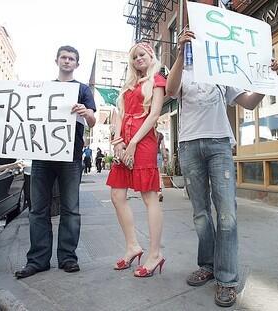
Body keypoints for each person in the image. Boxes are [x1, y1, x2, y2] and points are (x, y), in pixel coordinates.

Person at [166, 30, 278, 307]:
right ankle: (207, 265)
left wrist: (269, 79)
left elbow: (249, 102)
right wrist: (180, 54)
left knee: (227, 213)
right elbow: (170, 90)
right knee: (201, 213)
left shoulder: (221, 71)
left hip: (219, 144)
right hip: (190, 146)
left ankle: (227, 279)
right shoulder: (183, 69)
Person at [0, 45, 97, 278]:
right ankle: (37, 260)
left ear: (76, 64)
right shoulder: (42, 89)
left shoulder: (82, 90)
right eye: (63, 57)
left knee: (71, 210)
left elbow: (93, 121)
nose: (67, 61)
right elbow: (16, 113)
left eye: (71, 58)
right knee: (38, 210)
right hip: (41, 158)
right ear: (57, 60)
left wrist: (86, 112)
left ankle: (68, 258)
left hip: (71, 156)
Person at [106, 42, 166, 277]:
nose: (138, 59)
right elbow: (119, 113)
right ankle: (132, 246)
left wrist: (132, 144)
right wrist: (119, 141)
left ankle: (155, 254)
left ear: (151, 56)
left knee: (148, 196)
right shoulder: (128, 85)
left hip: (143, 143)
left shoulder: (157, 80)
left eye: (142, 54)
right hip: (124, 142)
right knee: (116, 194)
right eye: (134, 57)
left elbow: (154, 115)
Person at [155, 123, 167, 202]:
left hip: (149, 156)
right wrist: (165, 157)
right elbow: (163, 147)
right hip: (158, 155)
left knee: (151, 173)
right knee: (158, 173)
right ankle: (159, 190)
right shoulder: (160, 135)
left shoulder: (147, 134)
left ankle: (153, 191)